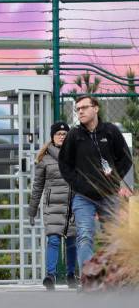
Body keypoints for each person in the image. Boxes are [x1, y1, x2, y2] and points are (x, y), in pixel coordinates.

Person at [58, 95, 133, 284]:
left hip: (109, 196)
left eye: (84, 107)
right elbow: (65, 166)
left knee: (114, 238)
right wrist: (80, 185)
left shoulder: (111, 132)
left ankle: (113, 280)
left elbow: (126, 159)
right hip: (83, 197)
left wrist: (114, 180)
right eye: (78, 109)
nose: (80, 111)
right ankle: (88, 280)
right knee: (84, 235)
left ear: (96, 108)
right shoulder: (74, 136)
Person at [28, 121, 77, 290]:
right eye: (58, 134)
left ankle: (71, 275)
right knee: (54, 240)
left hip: (73, 204)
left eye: (65, 134)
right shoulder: (44, 159)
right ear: (52, 136)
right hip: (52, 205)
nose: (62, 136)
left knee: (71, 241)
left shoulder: (76, 156)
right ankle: (51, 275)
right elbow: (37, 186)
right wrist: (32, 211)